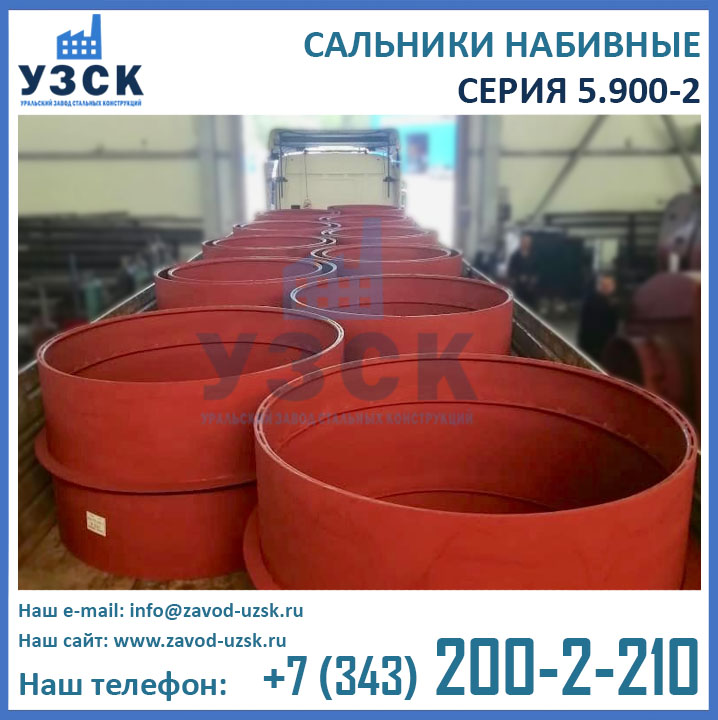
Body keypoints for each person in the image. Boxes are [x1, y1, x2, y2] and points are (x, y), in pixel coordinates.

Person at [578, 272, 620, 361]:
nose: (606, 288)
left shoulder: (612, 302)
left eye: (609, 285)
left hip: (607, 344)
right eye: (603, 285)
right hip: (593, 346)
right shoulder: (592, 301)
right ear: (598, 286)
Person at [507, 234, 539, 307]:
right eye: (524, 241)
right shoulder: (515, 256)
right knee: (519, 305)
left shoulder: (534, 255)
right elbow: (511, 270)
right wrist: (517, 278)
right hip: (518, 287)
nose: (526, 243)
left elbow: (537, 269)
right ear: (521, 242)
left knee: (531, 306)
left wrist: (534, 279)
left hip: (531, 287)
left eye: (528, 242)